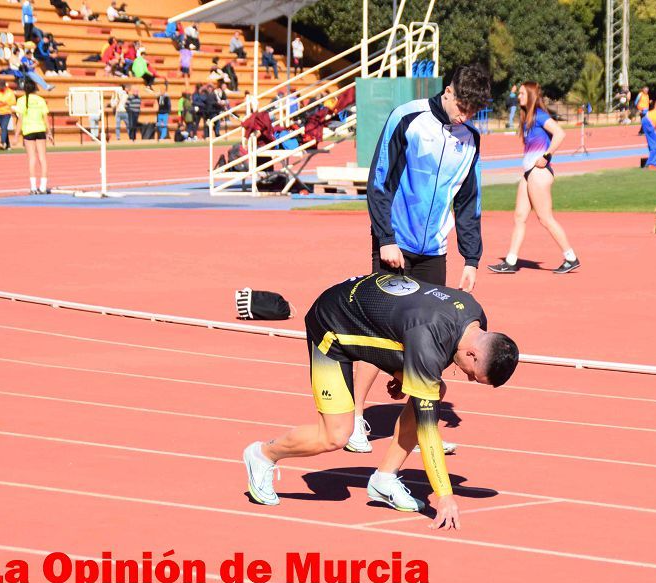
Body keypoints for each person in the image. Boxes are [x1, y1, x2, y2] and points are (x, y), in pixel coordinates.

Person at [241, 273, 519, 531]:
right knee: (335, 436)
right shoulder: (429, 336)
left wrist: (405, 376)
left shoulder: (474, 316)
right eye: (473, 375)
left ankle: (384, 479)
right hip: (331, 323)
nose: (469, 379)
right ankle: (263, 455)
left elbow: (417, 335)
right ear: (472, 354)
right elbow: (428, 429)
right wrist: (445, 496)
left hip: (374, 314)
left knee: (433, 390)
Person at [344, 64, 490, 456]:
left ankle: (421, 431)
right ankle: (355, 418)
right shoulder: (407, 118)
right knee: (378, 334)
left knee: (432, 342)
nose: (465, 115)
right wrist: (385, 239)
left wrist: (471, 258)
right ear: (448, 91)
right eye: (462, 106)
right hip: (396, 245)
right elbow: (379, 181)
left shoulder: (470, 139)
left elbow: (468, 202)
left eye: (473, 111)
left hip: (434, 252)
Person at [489, 80, 580, 275]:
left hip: (539, 173)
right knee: (520, 217)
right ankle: (511, 261)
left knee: (545, 218)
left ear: (530, 95)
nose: (518, 96)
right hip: (528, 173)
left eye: (521, 93)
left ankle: (571, 257)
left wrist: (547, 156)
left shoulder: (539, 115)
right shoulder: (527, 119)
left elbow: (560, 133)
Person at [13, 79, 51, 193]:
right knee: (42, 158)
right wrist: (49, 132)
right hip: (40, 129)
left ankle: (33, 187)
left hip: (28, 131)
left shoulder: (21, 101)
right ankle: (43, 187)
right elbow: (45, 118)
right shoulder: (40, 100)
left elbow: (20, 120)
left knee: (32, 158)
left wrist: (16, 135)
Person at [0, 80, 16, 150]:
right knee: (3, 129)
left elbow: (13, 102)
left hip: (6, 112)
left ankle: (2, 142)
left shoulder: (10, 92)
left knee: (4, 128)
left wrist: (4, 103)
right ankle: (8, 145)